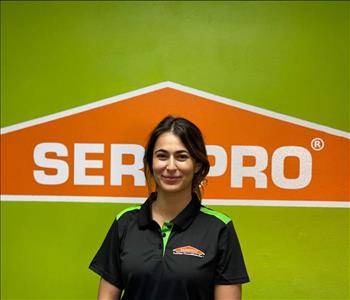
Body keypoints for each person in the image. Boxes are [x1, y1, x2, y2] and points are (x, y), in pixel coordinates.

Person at [89, 116, 249, 300]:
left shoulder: (219, 228)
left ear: (197, 164)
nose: (171, 166)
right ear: (150, 162)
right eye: (162, 156)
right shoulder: (125, 222)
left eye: (182, 157)